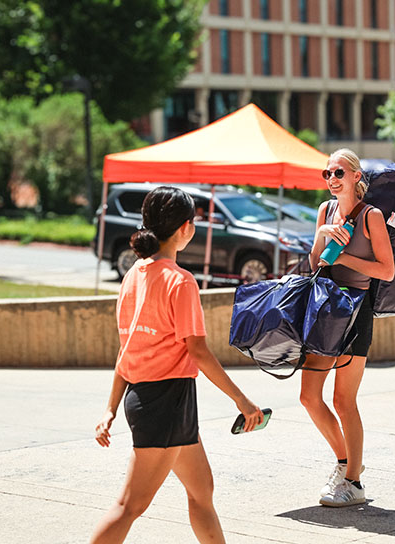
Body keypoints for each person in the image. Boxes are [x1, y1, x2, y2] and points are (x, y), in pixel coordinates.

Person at [90, 186, 264, 544]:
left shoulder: (134, 274)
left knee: (202, 491)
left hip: (160, 400)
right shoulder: (180, 281)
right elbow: (198, 351)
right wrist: (242, 401)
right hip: (164, 402)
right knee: (129, 506)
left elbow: (127, 349)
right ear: (186, 227)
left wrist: (110, 409)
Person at [301, 148, 394, 508]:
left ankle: (354, 482)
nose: (331, 179)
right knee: (308, 396)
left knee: (343, 399)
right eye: (326, 174)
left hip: (356, 309)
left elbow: (386, 271)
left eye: (338, 172)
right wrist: (322, 236)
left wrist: (345, 257)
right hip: (325, 305)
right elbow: (314, 262)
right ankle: (345, 461)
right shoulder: (325, 210)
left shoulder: (370, 216)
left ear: (356, 175)